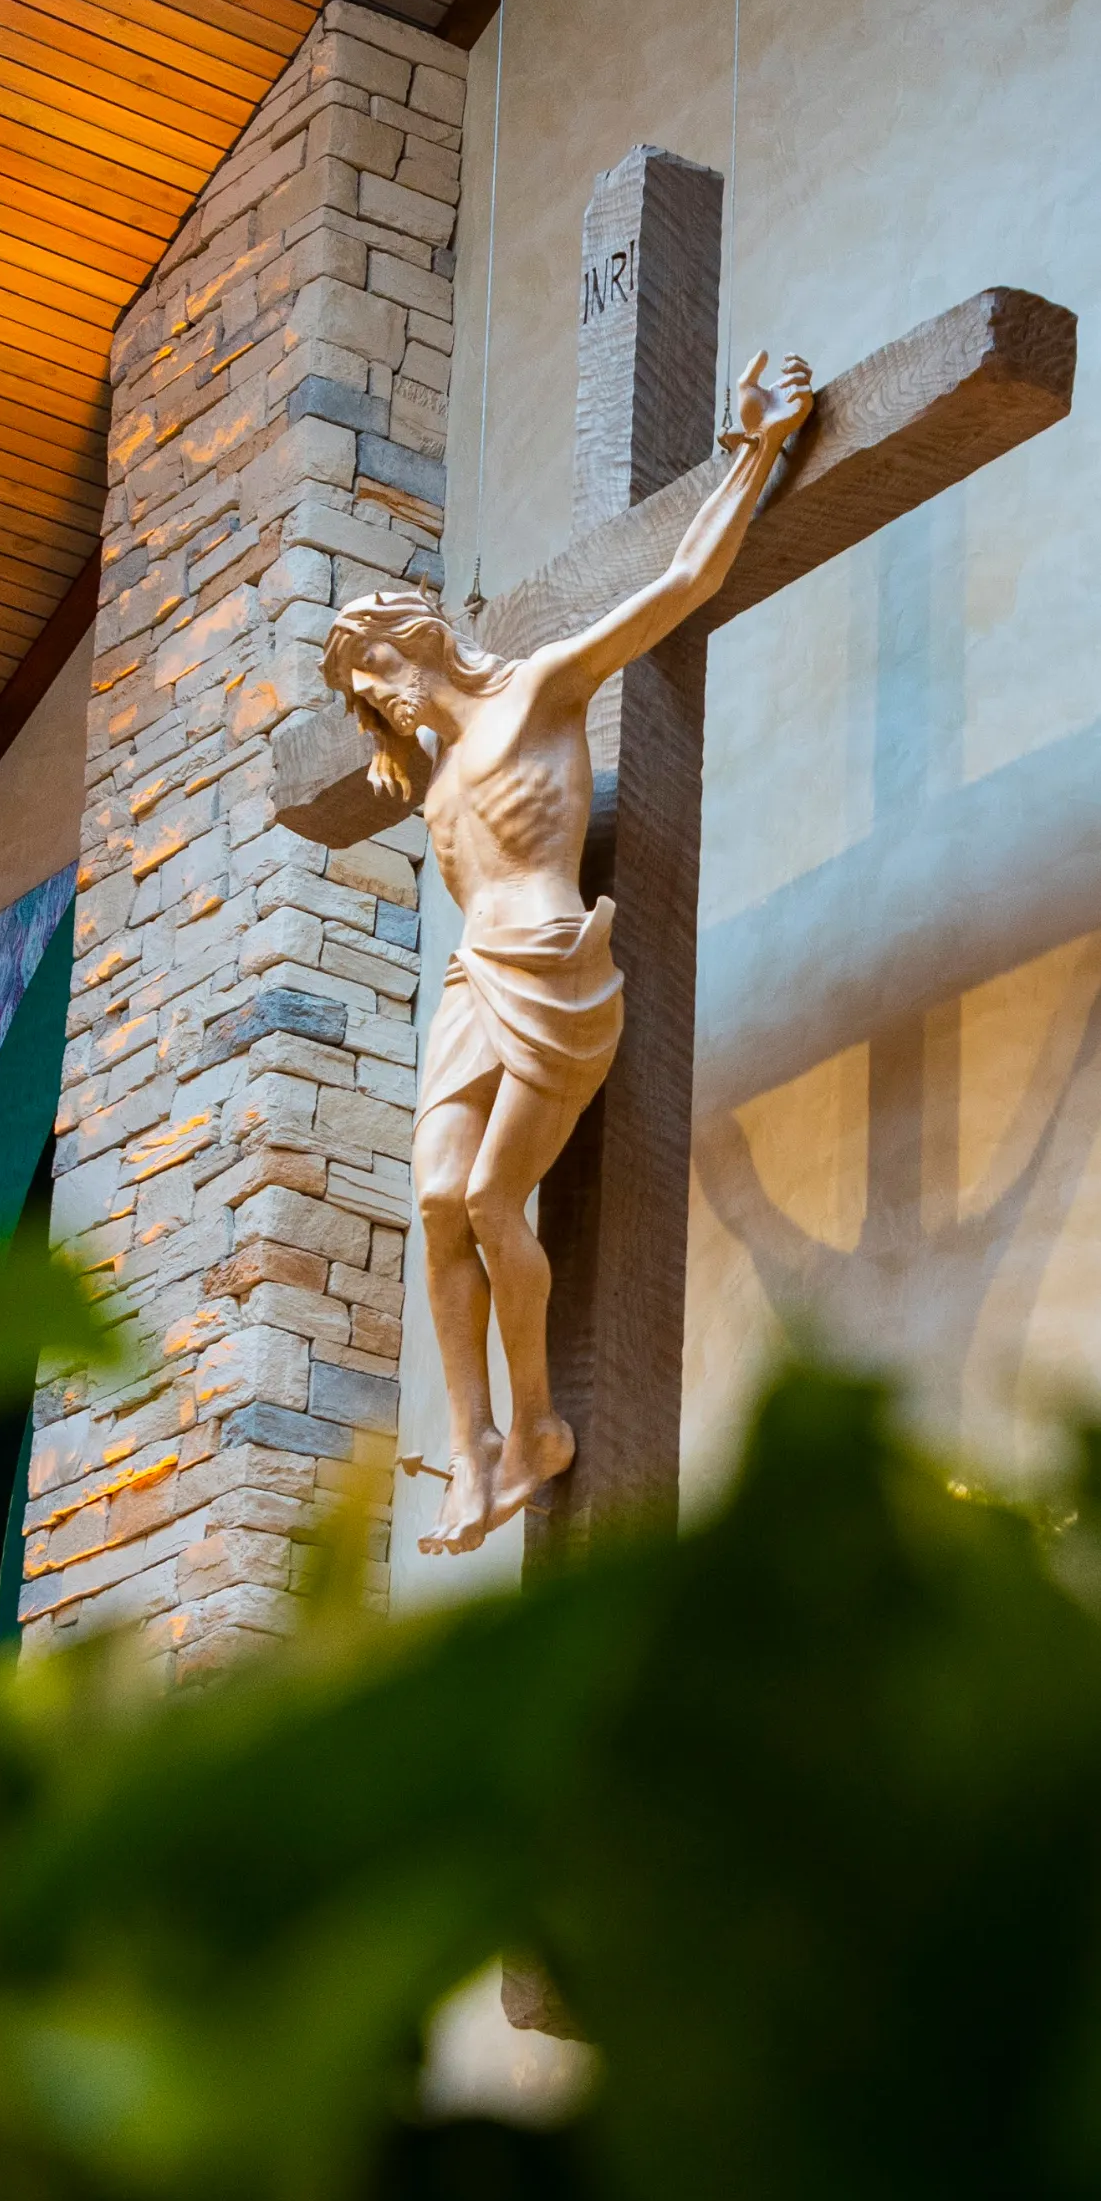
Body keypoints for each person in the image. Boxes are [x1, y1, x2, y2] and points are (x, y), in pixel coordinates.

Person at [323, 349, 817, 1552]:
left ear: (424, 635)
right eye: (359, 686)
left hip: (550, 963)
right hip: (465, 985)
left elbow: (682, 584)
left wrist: (757, 446)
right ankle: (477, 1442)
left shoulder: (537, 693)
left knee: (495, 1195)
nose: (378, 691)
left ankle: (539, 1427)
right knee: (440, 1201)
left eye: (378, 660)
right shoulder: (430, 784)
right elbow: (420, 788)